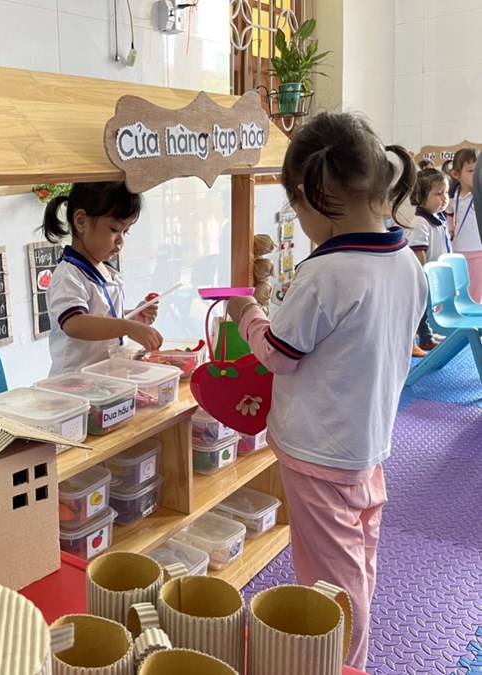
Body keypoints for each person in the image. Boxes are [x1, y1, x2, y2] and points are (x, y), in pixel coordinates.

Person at [225, 111, 427, 671]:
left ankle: (340, 663)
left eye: (296, 207)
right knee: (357, 561)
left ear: (315, 196)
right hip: (367, 444)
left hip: (319, 453)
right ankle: (348, 656)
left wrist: (247, 313)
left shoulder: (327, 273)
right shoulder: (407, 262)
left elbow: (278, 354)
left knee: (329, 584)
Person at [41, 181, 162, 375]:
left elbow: (101, 315)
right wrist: (127, 327)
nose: (121, 240)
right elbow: (75, 323)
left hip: (104, 379)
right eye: (114, 229)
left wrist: (132, 316)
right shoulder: (69, 275)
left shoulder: (105, 270)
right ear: (81, 221)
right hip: (74, 382)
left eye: (126, 231)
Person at [405, 168, 450, 356]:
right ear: (420, 197)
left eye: (446, 192)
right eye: (438, 194)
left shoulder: (439, 218)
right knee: (416, 310)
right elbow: (418, 251)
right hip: (422, 275)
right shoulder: (420, 222)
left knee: (426, 309)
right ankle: (410, 342)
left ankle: (426, 337)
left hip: (434, 275)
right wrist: (422, 275)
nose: (444, 198)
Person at [447, 148, 482, 301]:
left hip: (478, 252)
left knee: (475, 296)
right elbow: (448, 213)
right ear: (456, 174)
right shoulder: (452, 195)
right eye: (471, 170)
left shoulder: (479, 195)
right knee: (457, 292)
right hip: (457, 251)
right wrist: (451, 229)